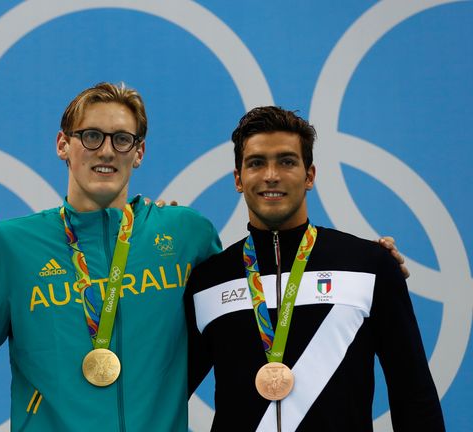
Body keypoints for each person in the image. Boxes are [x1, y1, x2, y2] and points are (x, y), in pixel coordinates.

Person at [0, 82, 222, 431]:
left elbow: (234, 337)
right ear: (63, 145)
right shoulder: (11, 245)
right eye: (91, 136)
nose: (106, 151)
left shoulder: (186, 235)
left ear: (139, 152)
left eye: (122, 139)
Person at [185, 106, 444, 431]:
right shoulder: (207, 282)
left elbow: (414, 395)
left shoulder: (370, 265)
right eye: (256, 163)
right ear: (239, 179)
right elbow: (161, 395)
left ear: (310, 175)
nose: (271, 175)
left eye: (287, 161)